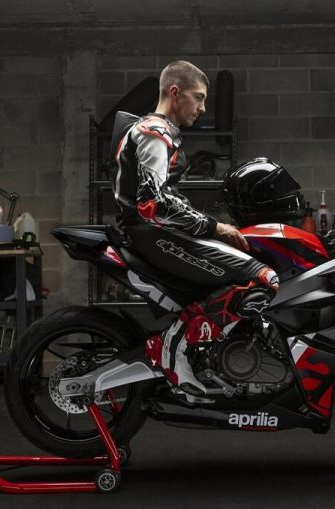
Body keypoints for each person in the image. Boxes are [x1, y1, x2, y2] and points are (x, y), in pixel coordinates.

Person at [111, 60, 279, 396]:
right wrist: (215, 228)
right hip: (153, 233)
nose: (203, 108)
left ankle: (199, 355)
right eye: (198, 97)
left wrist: (213, 225)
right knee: (264, 278)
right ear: (175, 93)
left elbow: (165, 198)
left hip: (157, 232)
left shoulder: (156, 130)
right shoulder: (155, 134)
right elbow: (154, 204)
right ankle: (174, 350)